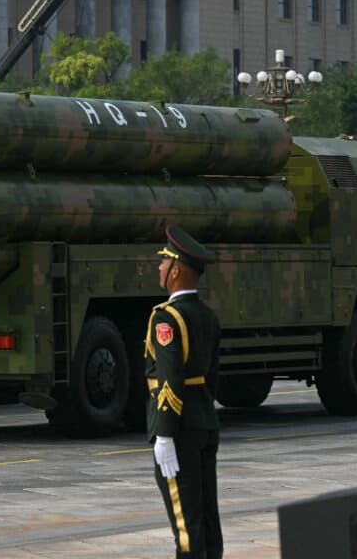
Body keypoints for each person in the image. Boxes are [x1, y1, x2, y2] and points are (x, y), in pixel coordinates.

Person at [146, 225, 222, 558]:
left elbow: (169, 378)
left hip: (178, 430)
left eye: (163, 263)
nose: (159, 268)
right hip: (204, 421)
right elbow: (212, 376)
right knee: (206, 516)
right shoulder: (207, 315)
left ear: (176, 270)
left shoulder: (167, 318)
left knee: (185, 523)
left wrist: (164, 434)